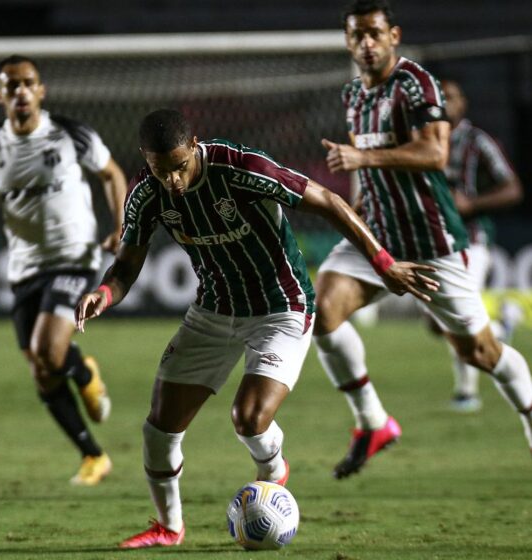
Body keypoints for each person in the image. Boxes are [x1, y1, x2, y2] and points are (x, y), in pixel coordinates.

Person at [75, 108, 436, 548]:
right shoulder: (146, 195)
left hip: (280, 309)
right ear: (145, 159)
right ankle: (169, 527)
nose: (171, 180)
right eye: (159, 169)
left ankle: (273, 471)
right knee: (158, 430)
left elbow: (329, 201)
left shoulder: (241, 168)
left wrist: (384, 263)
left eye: (179, 167)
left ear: (194, 147)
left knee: (248, 418)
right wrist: (104, 294)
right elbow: (127, 265)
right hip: (212, 312)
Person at [315, 0, 532, 480]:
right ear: (348, 41)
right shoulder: (354, 94)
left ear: (393, 35)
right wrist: (355, 214)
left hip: (430, 240)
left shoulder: (416, 84)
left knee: (479, 353)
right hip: (376, 236)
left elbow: (435, 151)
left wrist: (362, 160)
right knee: (322, 312)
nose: (366, 44)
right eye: (356, 36)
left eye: (374, 33)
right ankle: (372, 421)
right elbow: (358, 166)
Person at [0, 55, 127, 486]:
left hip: (76, 257)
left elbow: (111, 173)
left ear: (41, 91)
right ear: (0, 96)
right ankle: (93, 455)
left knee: (49, 351)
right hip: (25, 267)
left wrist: (121, 224)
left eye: (28, 83)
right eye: (11, 86)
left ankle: (84, 373)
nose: (21, 92)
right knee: (42, 370)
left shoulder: (70, 134)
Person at [437, 78, 524, 412]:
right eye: (440, 96)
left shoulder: (478, 142)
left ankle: (466, 392)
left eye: (453, 97)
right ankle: (502, 327)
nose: (445, 102)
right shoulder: (419, 140)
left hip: (471, 241)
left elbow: (513, 189)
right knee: (439, 321)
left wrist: (472, 204)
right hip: (431, 244)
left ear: (464, 104)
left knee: (457, 317)